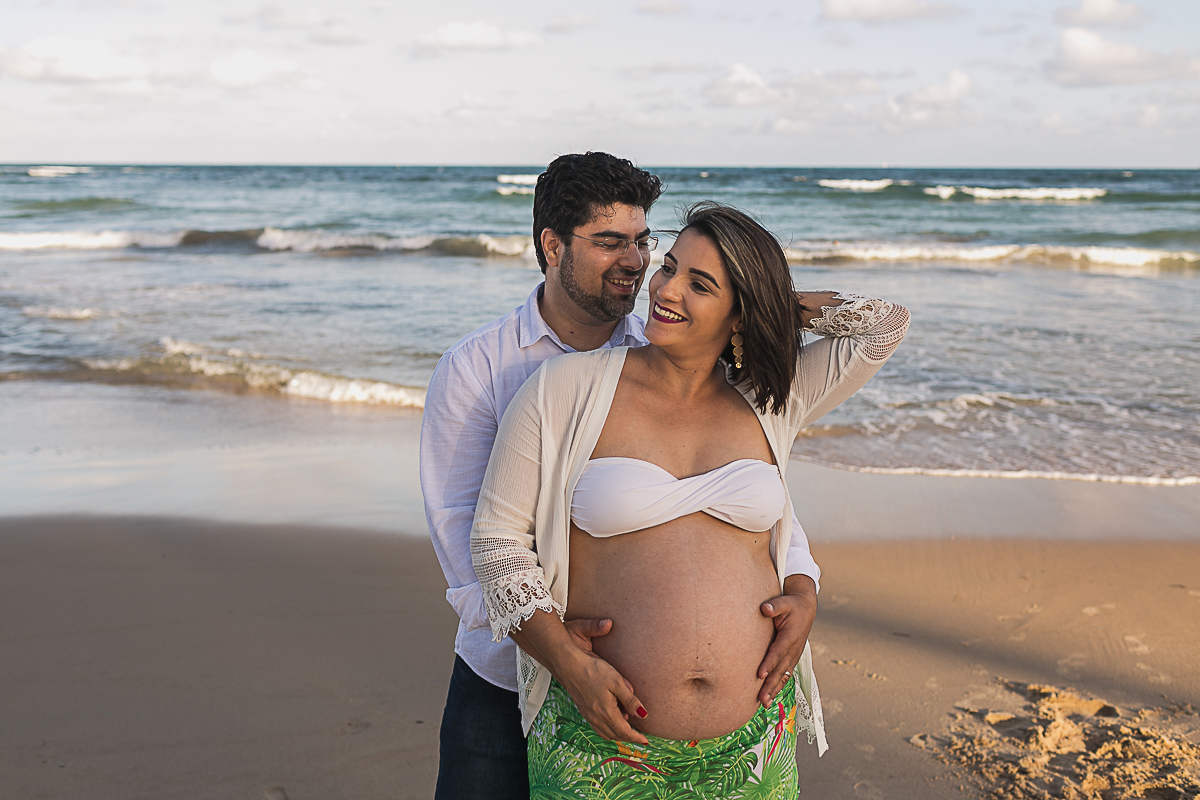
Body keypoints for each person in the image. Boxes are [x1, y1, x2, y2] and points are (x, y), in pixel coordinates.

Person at [470, 202, 910, 798]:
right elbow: (498, 545)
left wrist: (772, 305)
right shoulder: (563, 389)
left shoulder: (771, 399)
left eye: (699, 284)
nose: (666, 288)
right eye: (669, 267)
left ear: (739, 312)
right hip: (602, 745)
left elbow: (885, 324)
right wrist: (569, 666)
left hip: (753, 746)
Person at [421, 156, 824, 800]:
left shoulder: (671, 346)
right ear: (552, 247)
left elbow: (754, 498)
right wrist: (556, 649)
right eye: (609, 242)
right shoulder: (478, 370)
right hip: (502, 680)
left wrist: (767, 305)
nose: (636, 262)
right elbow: (466, 540)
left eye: (643, 242)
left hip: (666, 721)